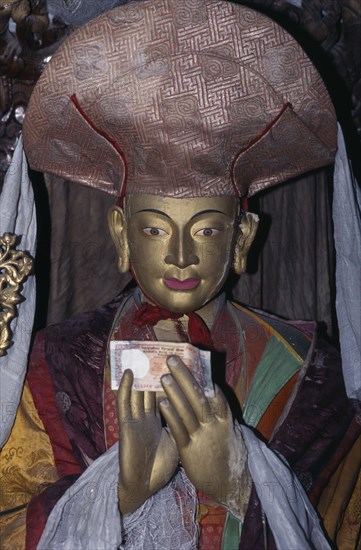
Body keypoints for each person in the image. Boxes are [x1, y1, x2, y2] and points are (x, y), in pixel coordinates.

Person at [1, 1, 360, 549]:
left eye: (209, 230)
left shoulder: (310, 377)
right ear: (120, 234)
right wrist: (118, 495)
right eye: (154, 230)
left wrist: (242, 484)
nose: (182, 256)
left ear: (242, 239)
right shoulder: (56, 367)